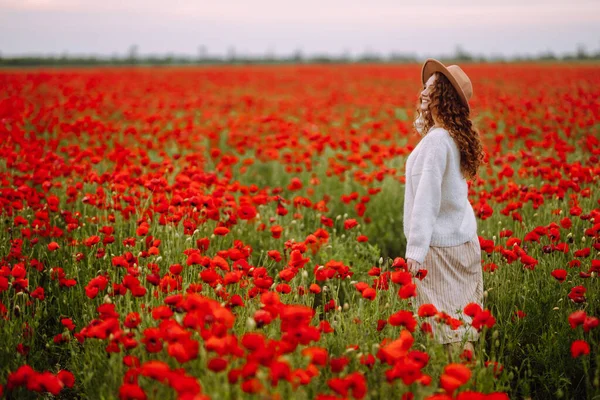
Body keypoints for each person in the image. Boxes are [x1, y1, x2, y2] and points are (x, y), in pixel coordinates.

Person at [403, 58, 485, 361]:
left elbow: (427, 200)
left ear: (442, 97)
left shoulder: (437, 141)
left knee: (448, 330)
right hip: (463, 243)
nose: (422, 95)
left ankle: (459, 384)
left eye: (430, 90)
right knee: (464, 324)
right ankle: (471, 382)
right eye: (424, 89)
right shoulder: (451, 136)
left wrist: (415, 251)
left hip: (439, 250)